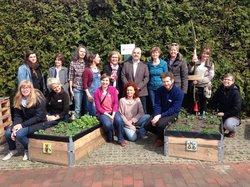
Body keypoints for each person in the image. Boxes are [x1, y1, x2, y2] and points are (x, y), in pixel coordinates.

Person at [2, 80, 47, 161]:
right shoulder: (18, 99)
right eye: (23, 88)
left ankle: (28, 149)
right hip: (25, 122)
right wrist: (15, 127)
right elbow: (17, 115)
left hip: (39, 122)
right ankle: (12, 150)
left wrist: (22, 125)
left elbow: (39, 116)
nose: (25, 90)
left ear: (31, 89)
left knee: (19, 134)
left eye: (27, 88)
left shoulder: (38, 98)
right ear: (20, 89)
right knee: (8, 133)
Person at [144, 72, 184, 147]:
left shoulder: (179, 92)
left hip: (172, 113)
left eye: (167, 81)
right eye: (164, 82)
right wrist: (156, 116)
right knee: (147, 125)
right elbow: (157, 105)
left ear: (172, 80)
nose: (166, 83)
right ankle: (160, 133)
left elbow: (175, 109)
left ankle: (161, 138)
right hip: (160, 113)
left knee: (160, 125)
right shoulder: (159, 90)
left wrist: (160, 116)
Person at [94, 74, 126, 146]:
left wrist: (113, 115)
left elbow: (115, 103)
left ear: (109, 82)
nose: (105, 82)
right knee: (108, 125)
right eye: (103, 80)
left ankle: (121, 139)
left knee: (119, 120)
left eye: (106, 80)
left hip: (113, 111)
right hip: (103, 113)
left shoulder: (113, 89)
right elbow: (98, 107)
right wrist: (108, 115)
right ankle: (111, 132)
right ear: (100, 81)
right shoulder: (97, 92)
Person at [211, 73, 242, 138]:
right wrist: (214, 109)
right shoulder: (220, 89)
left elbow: (237, 108)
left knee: (228, 125)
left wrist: (225, 114)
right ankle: (223, 127)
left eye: (229, 80)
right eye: (225, 79)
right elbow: (214, 100)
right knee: (213, 129)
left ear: (233, 81)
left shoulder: (235, 93)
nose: (226, 81)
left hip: (233, 116)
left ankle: (232, 130)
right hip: (221, 115)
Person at [121, 47, 149, 113]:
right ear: (132, 54)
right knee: (129, 111)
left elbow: (146, 77)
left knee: (143, 111)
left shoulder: (144, 66)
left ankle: (143, 123)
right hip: (129, 92)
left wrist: (138, 87)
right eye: (134, 53)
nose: (136, 54)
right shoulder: (126, 64)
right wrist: (129, 87)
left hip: (141, 92)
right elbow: (123, 76)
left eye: (138, 53)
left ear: (140, 55)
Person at [189, 47, 214, 118]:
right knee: (196, 100)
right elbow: (190, 71)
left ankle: (203, 113)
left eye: (207, 54)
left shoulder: (211, 64)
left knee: (204, 100)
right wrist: (192, 63)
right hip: (196, 86)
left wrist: (199, 80)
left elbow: (210, 76)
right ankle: (196, 114)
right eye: (203, 53)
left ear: (209, 55)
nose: (205, 55)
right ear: (201, 54)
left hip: (205, 86)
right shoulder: (197, 62)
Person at [69, 45, 89, 117]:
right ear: (78, 52)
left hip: (87, 88)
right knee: (78, 108)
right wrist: (71, 89)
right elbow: (71, 76)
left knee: (87, 107)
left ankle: (88, 123)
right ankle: (77, 124)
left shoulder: (87, 63)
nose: (83, 53)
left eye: (84, 52)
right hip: (77, 88)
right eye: (81, 51)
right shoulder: (73, 63)